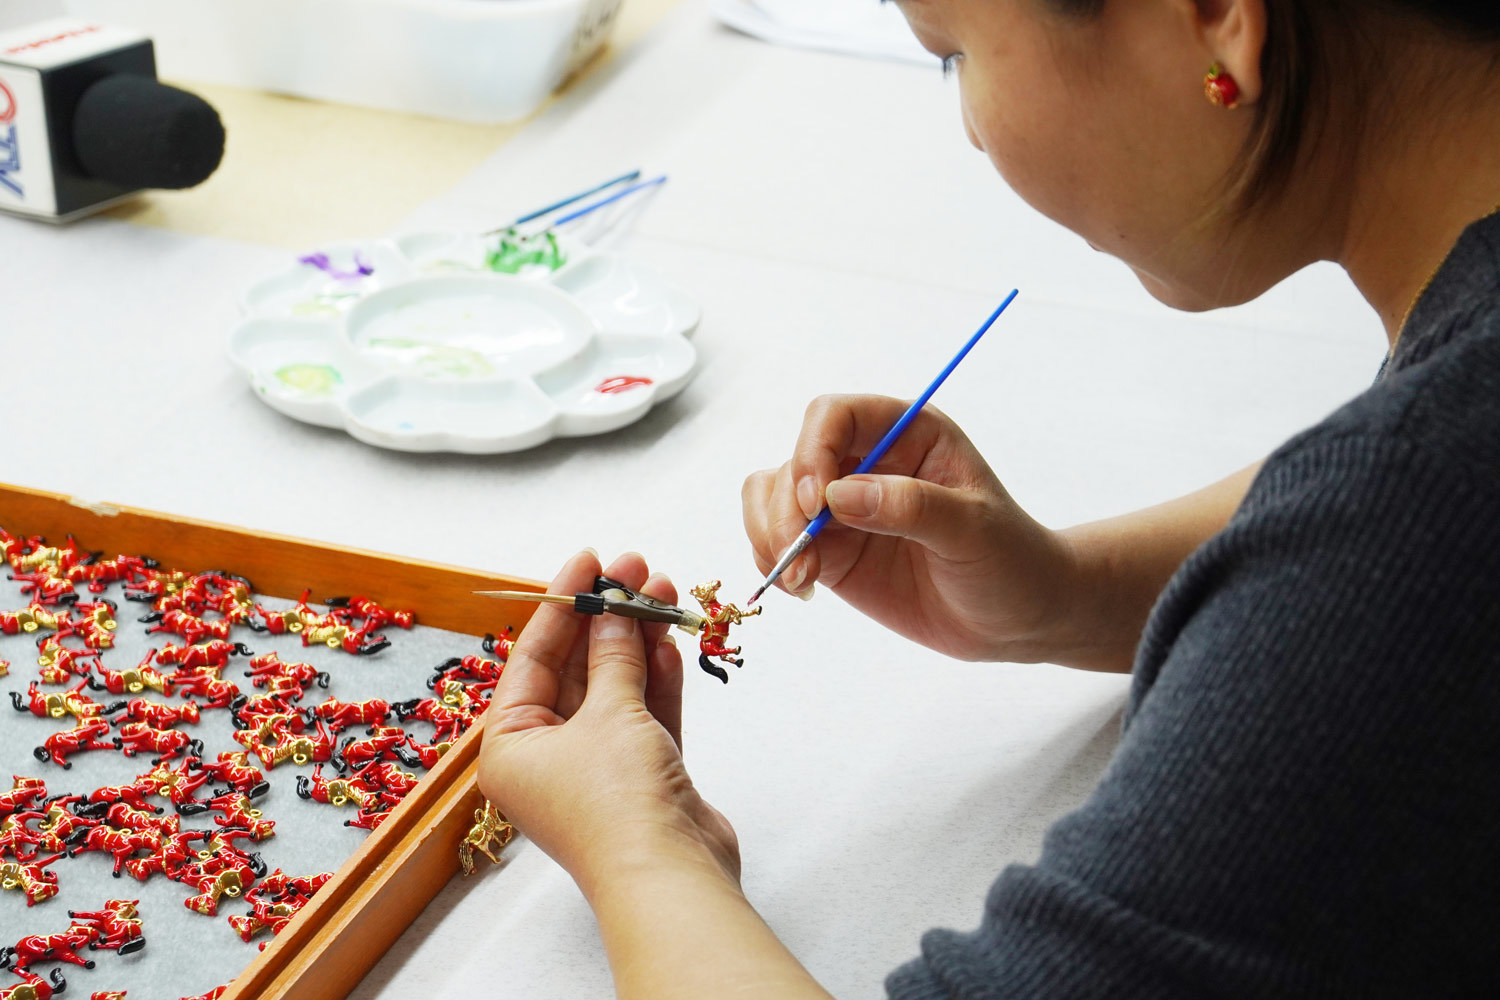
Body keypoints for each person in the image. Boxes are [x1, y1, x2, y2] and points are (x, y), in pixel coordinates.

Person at [478, 0, 1500, 996]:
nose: (969, 131)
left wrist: (644, 847)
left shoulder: (1396, 544)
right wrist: (1070, 592)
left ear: (1219, 17)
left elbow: (1393, 536)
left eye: (951, 54)